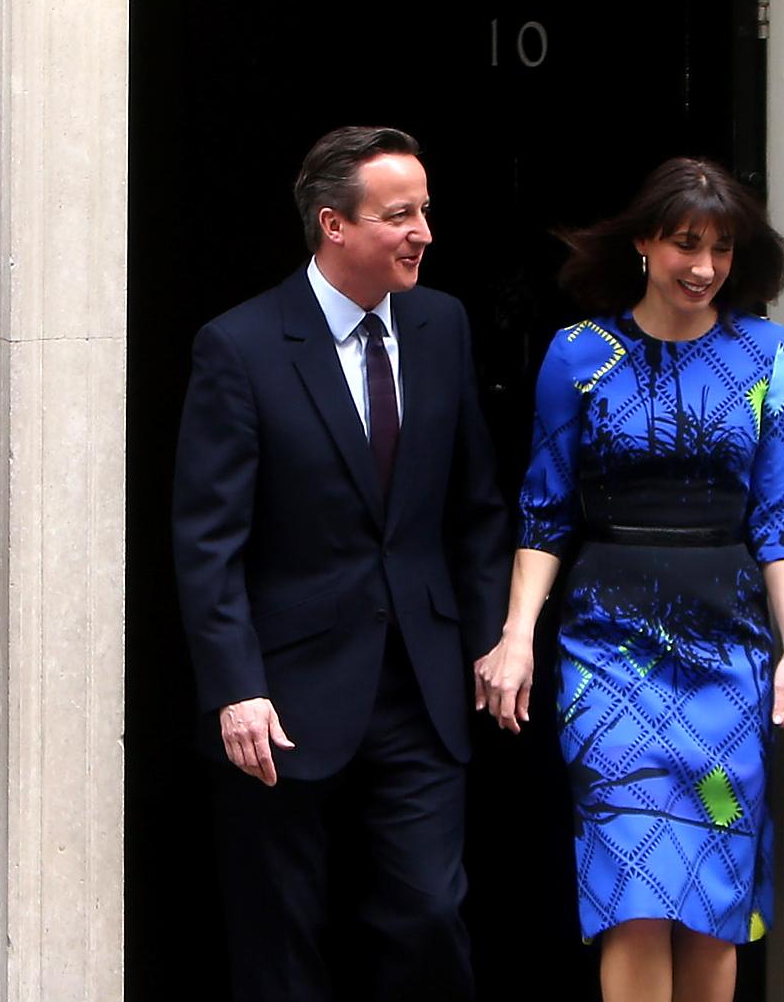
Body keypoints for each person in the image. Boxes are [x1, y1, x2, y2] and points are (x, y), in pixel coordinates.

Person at [172, 125, 510, 1000]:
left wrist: (491, 638)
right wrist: (234, 685)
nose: (423, 232)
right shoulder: (239, 346)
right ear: (333, 225)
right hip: (281, 692)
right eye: (400, 215)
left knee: (430, 913)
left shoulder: (443, 325)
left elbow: (475, 506)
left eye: (424, 211)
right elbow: (209, 540)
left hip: (422, 681)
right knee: (281, 938)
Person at [473, 157, 784, 1002]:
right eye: (685, 243)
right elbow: (545, 511)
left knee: (712, 891)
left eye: (723, 248)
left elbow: (781, 519)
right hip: (607, 656)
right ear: (643, 244)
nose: (704, 266)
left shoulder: (766, 354)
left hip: (729, 658)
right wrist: (517, 637)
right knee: (629, 884)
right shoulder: (578, 355)